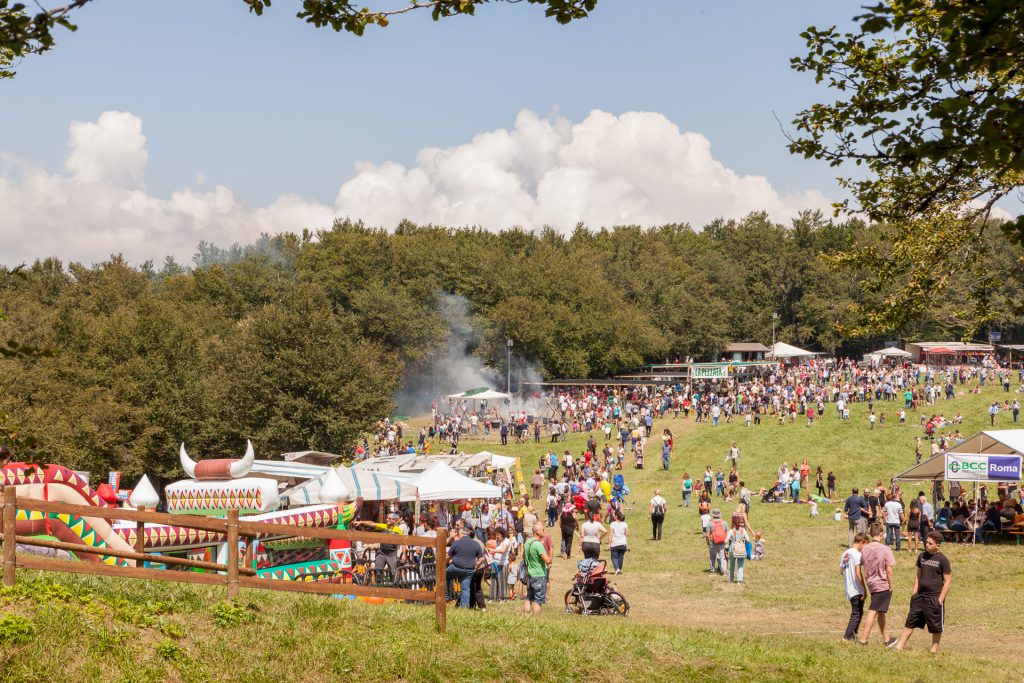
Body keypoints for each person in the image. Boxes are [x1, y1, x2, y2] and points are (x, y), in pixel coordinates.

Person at [896, 531, 952, 653]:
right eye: (926, 542)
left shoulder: (943, 560)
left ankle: (934, 650)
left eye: (930, 543)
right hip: (920, 596)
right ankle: (899, 646)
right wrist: (914, 593)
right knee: (910, 620)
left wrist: (940, 600)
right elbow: (918, 575)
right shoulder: (922, 556)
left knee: (935, 626)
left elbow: (947, 582)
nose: (927, 545)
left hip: (934, 597)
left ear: (938, 545)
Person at [859, 524, 897, 648]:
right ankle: (863, 639)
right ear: (881, 534)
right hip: (882, 583)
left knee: (880, 611)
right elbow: (889, 570)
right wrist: (891, 585)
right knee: (873, 610)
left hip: (871, 582)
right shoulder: (885, 549)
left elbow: (862, 564)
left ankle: (887, 639)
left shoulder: (865, 549)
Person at [447, 526, 484, 609]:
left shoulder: (456, 543)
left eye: (459, 533)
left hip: (456, 567)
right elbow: (481, 559)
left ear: (463, 534)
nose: (458, 535)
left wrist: (450, 561)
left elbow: (448, 556)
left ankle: (446, 596)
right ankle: (465, 608)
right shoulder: (476, 543)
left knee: (445, 576)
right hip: (470, 569)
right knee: (465, 589)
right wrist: (476, 566)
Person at [841, 532, 868, 641]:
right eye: (865, 546)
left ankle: (852, 635)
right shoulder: (857, 554)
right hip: (856, 588)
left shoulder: (845, 553)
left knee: (858, 611)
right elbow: (858, 573)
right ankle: (847, 636)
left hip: (848, 588)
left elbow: (841, 570)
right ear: (862, 542)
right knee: (856, 613)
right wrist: (864, 589)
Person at [522, 521, 552, 617]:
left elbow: (524, 557)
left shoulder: (527, 542)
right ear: (537, 531)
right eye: (542, 530)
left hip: (529, 574)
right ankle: (536, 620)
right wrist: (551, 555)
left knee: (528, 597)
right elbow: (547, 560)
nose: (544, 531)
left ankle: (526, 617)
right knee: (538, 600)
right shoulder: (538, 544)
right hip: (539, 574)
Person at [724, 515, 750, 583]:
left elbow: (726, 540)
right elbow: (748, 539)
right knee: (740, 565)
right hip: (740, 549)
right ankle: (739, 580)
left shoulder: (731, 531)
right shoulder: (743, 530)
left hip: (732, 549)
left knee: (732, 565)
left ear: (733, 523)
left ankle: (731, 579)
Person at [706, 508, 727, 575]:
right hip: (722, 543)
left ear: (713, 515)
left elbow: (707, 535)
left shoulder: (710, 523)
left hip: (713, 543)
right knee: (722, 557)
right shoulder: (724, 523)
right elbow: (727, 533)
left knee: (712, 557)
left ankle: (712, 571)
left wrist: (708, 542)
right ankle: (724, 572)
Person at [608, 510, 629, 574]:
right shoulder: (625, 524)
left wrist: (609, 543)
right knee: (621, 557)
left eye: (614, 515)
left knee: (614, 557)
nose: (613, 516)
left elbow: (611, 534)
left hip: (615, 543)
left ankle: (617, 569)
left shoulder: (613, 524)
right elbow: (627, 534)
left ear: (616, 516)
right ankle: (619, 569)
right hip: (623, 543)